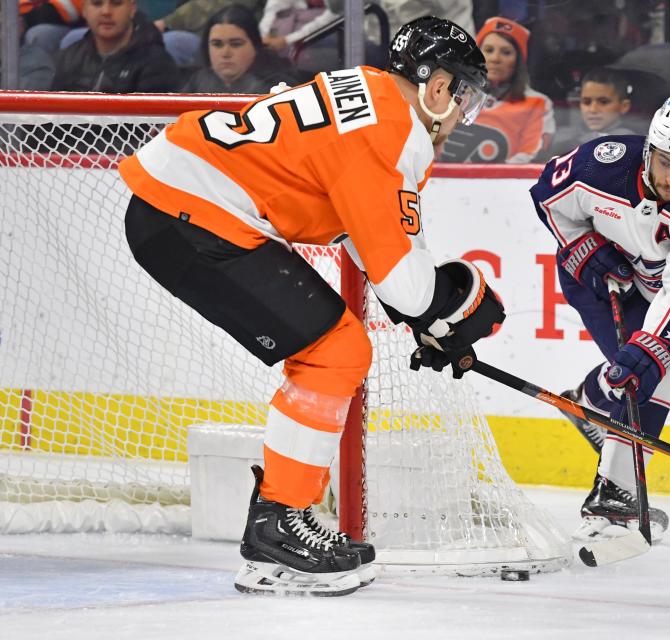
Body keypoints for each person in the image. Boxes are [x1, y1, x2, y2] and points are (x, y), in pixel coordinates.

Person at [118, 16, 502, 596]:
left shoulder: (368, 91)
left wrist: (427, 315)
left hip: (177, 206)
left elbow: (369, 240)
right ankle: (278, 527)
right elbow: (405, 284)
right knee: (336, 351)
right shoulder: (395, 131)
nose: (460, 115)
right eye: (464, 95)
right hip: (193, 216)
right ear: (438, 86)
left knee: (338, 348)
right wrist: (450, 305)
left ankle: (275, 529)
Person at [529, 94, 670, 551]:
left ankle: (590, 400)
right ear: (649, 151)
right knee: (661, 375)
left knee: (655, 367)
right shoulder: (603, 164)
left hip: (650, 289)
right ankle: (612, 495)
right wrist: (581, 246)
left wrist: (653, 345)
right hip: (596, 281)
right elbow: (547, 194)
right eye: (664, 162)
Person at [447, 16, 554, 163]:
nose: (495, 58)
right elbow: (431, 136)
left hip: (506, 184)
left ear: (518, 61)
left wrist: (489, 178)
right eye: (489, 50)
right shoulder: (451, 93)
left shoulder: (538, 103)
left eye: (506, 52)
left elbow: (532, 154)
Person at [51, 0, 180, 92]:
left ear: (132, 8)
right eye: (97, 3)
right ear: (84, 10)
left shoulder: (157, 63)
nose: (106, 11)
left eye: (116, 3)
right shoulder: (68, 57)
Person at [181, 5, 304, 93]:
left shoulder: (280, 87)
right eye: (217, 44)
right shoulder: (198, 81)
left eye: (236, 44)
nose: (225, 53)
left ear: (255, 46)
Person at [545, 67, 638, 159]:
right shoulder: (561, 136)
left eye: (603, 102)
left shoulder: (631, 143)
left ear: (624, 106)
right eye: (586, 102)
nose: (593, 110)